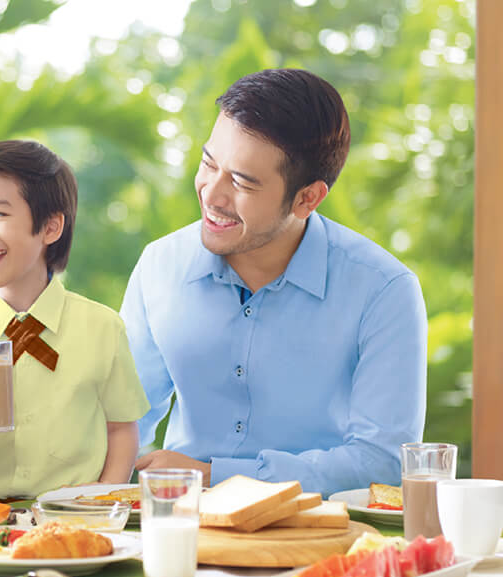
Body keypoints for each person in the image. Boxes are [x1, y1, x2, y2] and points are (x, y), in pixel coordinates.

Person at [121, 68, 426, 497]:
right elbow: (123, 420)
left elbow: (383, 461)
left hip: (322, 534)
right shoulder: (160, 266)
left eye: (242, 182)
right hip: (180, 528)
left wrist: (213, 476)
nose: (212, 194)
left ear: (307, 198)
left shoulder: (384, 290)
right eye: (209, 164)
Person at [0, 140, 149, 499]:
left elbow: (121, 428)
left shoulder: (101, 328)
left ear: (51, 227)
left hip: (78, 516)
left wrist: (107, 495)